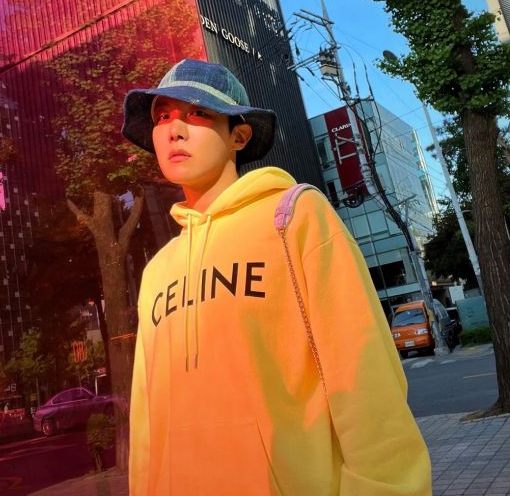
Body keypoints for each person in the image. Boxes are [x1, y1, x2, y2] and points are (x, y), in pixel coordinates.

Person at [122, 58, 432, 496]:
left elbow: (363, 380)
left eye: (198, 113)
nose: (174, 129)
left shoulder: (294, 217)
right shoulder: (157, 271)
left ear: (239, 135)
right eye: (163, 116)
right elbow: (146, 422)